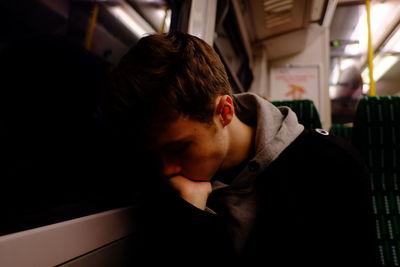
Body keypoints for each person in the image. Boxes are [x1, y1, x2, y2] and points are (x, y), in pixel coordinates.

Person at [104, 31, 379, 266]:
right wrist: (190, 218)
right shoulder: (161, 184)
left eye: (178, 148)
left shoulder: (330, 167)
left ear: (224, 112)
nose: (166, 169)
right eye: (155, 154)